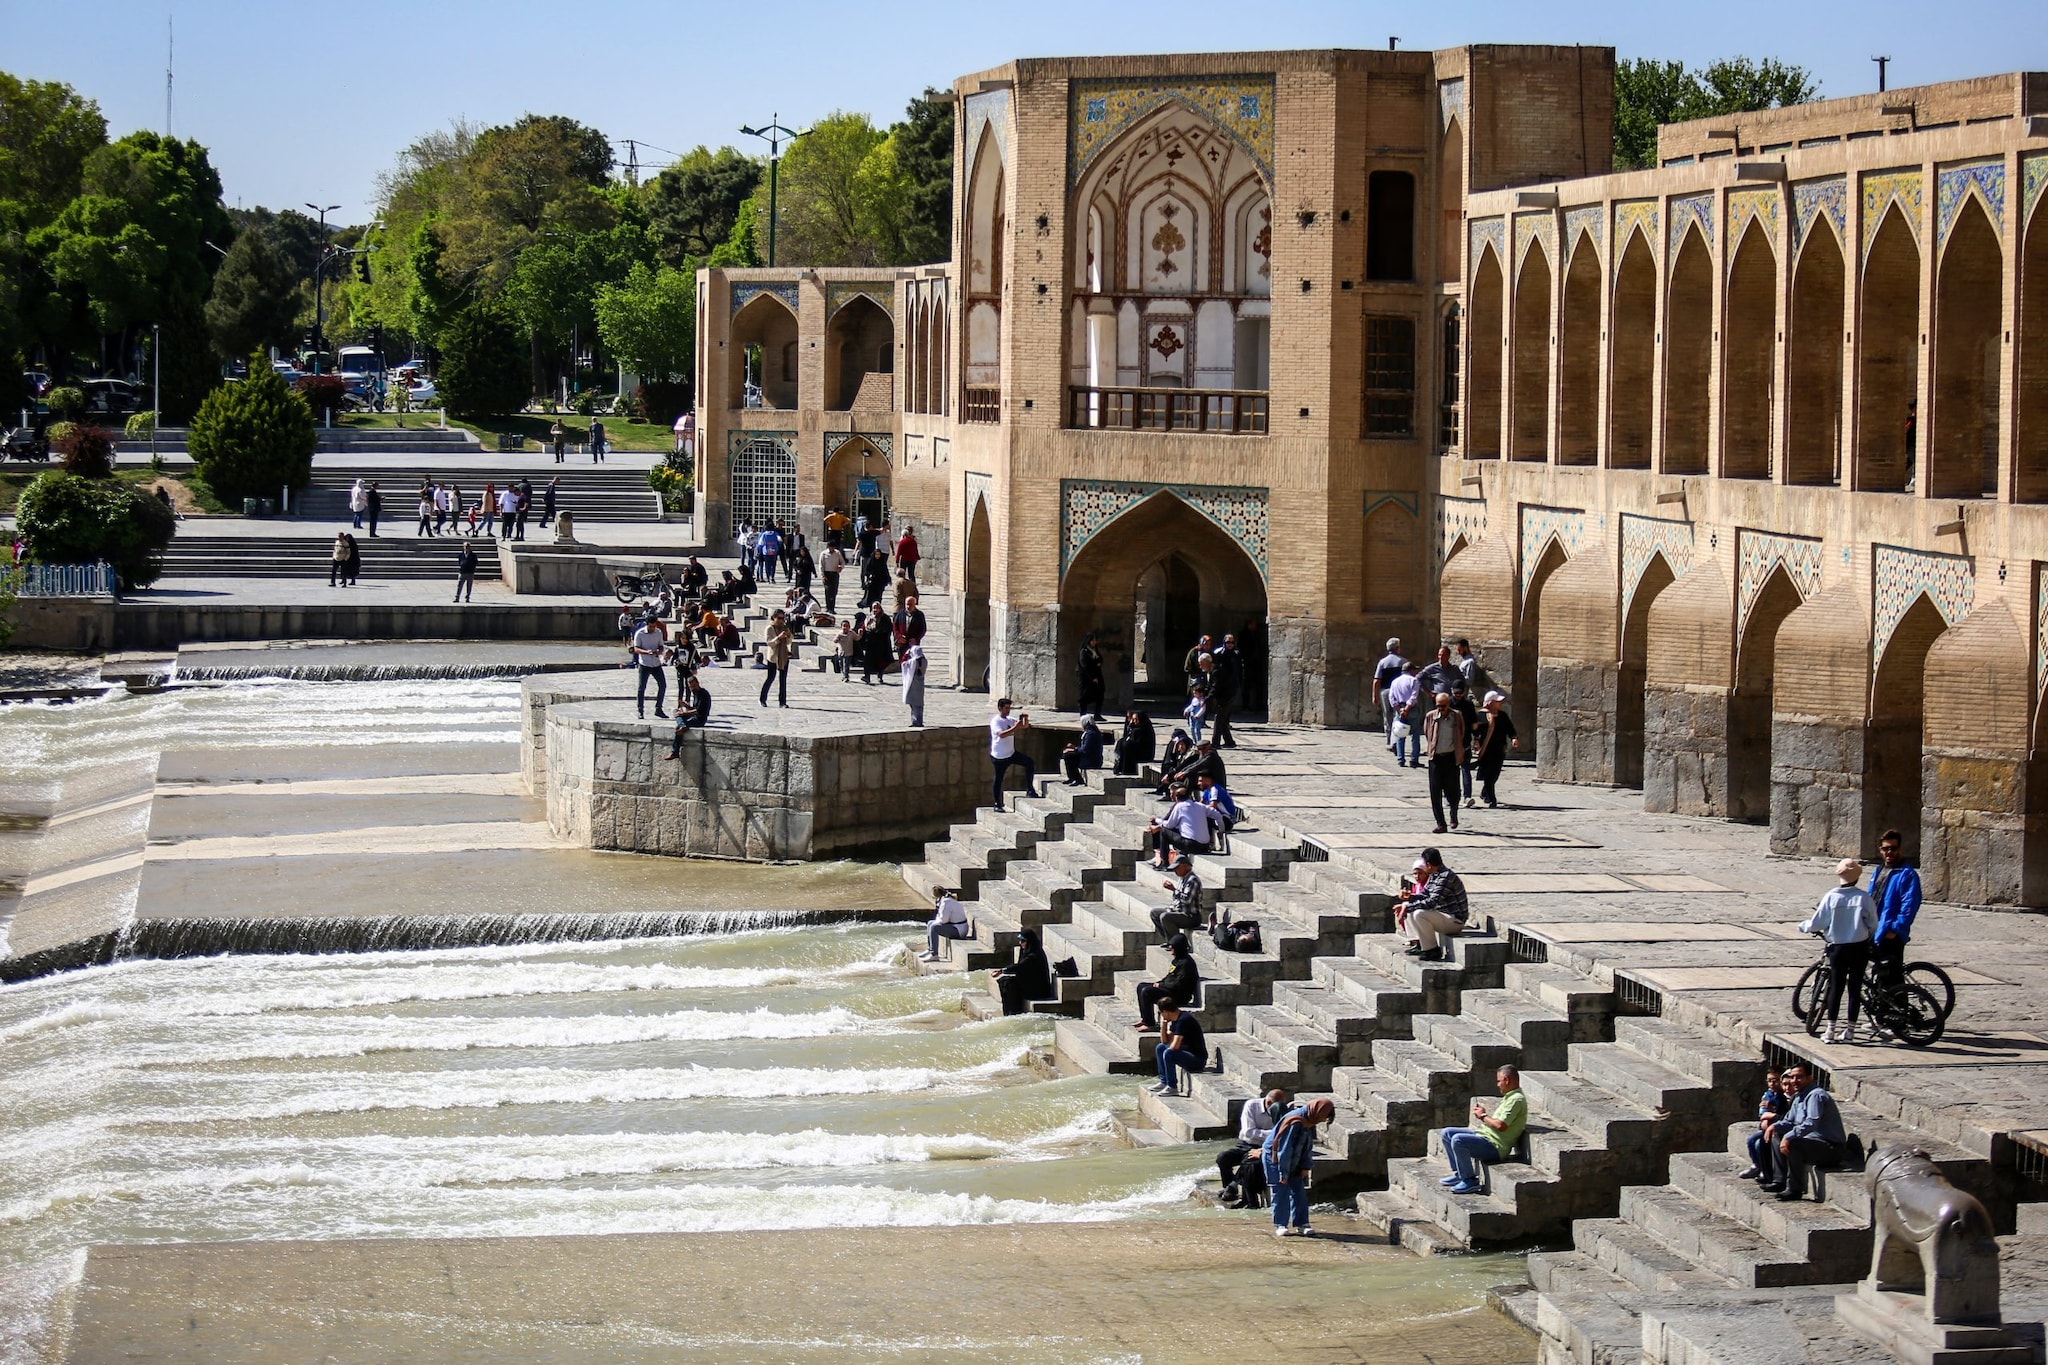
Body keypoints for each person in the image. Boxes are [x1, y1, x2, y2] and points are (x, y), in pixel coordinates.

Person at [1800, 858, 1878, 1044]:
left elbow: (1818, 922)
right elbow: (1873, 923)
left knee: (1836, 987)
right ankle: (1850, 1031)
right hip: (1859, 947)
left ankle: (1830, 1030)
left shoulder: (1832, 897)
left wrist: (1804, 926)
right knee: (1855, 988)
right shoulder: (1864, 898)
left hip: (1838, 948)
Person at [1763, 1064, 1851, 1201]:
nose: (1794, 1081)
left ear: (1810, 1077)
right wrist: (1774, 1127)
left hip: (1830, 1147)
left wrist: (1789, 1136)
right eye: (1792, 1077)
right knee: (1777, 1135)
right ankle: (1779, 1181)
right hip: (1812, 1142)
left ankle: (1794, 1189)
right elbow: (1789, 1121)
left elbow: (1811, 1123)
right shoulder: (1799, 1096)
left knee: (1793, 1143)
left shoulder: (1816, 1096)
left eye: (1799, 1077)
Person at [1438, 1065, 1527, 1195]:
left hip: (1495, 1147)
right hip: (1484, 1136)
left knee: (1458, 1140)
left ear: (1506, 1080)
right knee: (1447, 1133)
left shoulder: (1517, 1100)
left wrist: (1483, 1116)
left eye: (1499, 1081)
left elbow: (1501, 1125)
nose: (1498, 1085)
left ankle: (1470, 1180)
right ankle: (1460, 1172)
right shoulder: (1509, 1097)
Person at [1262, 1098, 1334, 1236]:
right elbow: (1284, 1149)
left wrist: (1306, 1166)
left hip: (1295, 1157)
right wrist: (1283, 1173)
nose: (1322, 1120)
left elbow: (1307, 1145)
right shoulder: (1295, 1122)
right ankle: (1281, 1224)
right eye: (1324, 1117)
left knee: (1298, 1190)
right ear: (1317, 1112)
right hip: (1275, 1158)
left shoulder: (1309, 1119)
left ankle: (1302, 1223)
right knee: (1281, 1190)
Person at [1218, 1089, 1291, 1208]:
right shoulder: (1252, 1105)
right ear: (1268, 1104)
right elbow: (1249, 1132)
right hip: (1246, 1143)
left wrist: (1270, 1137)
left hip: (1264, 1147)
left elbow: (1284, 1134)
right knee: (1223, 1158)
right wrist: (1274, 1133)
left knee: (1248, 1163)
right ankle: (1230, 1186)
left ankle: (1234, 1187)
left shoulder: (1282, 1111)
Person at [1868, 828, 1922, 988]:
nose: (1889, 852)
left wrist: (1895, 929)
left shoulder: (1907, 874)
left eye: (1893, 848)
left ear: (1900, 849)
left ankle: (1900, 1011)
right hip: (1875, 929)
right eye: (1886, 848)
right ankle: (1881, 1009)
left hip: (1890, 932)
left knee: (1893, 978)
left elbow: (1909, 906)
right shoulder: (1879, 870)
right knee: (1881, 975)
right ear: (1880, 850)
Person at [1396, 847, 1468, 962]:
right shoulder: (1435, 875)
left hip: (1455, 921)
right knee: (1411, 906)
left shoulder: (1446, 876)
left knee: (1419, 913)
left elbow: (1432, 902)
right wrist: (1409, 897)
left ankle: (1432, 950)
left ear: (1429, 865)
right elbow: (1425, 895)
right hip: (1442, 916)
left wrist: (1408, 906)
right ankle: (1420, 944)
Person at [1133, 931, 1198, 1031]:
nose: (1170, 948)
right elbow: (1169, 977)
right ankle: (1145, 1018)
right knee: (1141, 986)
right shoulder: (1177, 960)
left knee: (1147, 992)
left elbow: (1178, 984)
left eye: (1173, 946)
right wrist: (1159, 983)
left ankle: (1149, 1023)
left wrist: (1161, 986)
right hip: (1170, 990)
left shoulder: (1186, 964)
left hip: (1179, 996)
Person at [1422, 691, 1466, 833]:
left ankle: (1453, 813)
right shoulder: (1431, 716)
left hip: (1451, 757)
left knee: (1453, 791)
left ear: (1448, 704)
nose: (1441, 709)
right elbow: (1427, 732)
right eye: (1438, 706)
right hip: (1436, 758)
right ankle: (1441, 823)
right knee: (1435, 792)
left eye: (1443, 706)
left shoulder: (1456, 716)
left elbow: (1461, 732)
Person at [1149, 999, 1208, 1097]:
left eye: (1161, 1012)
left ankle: (1172, 1087)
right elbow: (1165, 1041)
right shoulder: (1176, 1020)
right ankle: (1164, 1081)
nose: (1161, 1015)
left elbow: (1174, 1046)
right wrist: (1164, 1025)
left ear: (1165, 1012)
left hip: (1197, 1060)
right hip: (1186, 1054)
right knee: (1160, 1048)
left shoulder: (1184, 1020)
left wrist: (1168, 1049)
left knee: (1169, 1053)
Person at [1147, 788, 1219, 868]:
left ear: (1177, 797)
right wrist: (1221, 830)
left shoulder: (1180, 806)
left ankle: (1164, 863)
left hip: (1190, 845)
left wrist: (1157, 820)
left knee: (1164, 831)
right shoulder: (1201, 806)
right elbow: (1218, 815)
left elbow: (1169, 825)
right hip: (1205, 846)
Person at [1741, 1067, 1790, 1182]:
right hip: (1767, 1128)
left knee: (1760, 1144)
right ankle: (1757, 1165)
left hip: (1779, 1128)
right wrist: (1766, 1117)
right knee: (1751, 1140)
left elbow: (1784, 1115)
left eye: (1776, 1080)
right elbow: (1762, 1114)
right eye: (1770, 1080)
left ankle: (1766, 1171)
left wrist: (1771, 1113)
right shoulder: (1768, 1095)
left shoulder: (1783, 1096)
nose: (1773, 1083)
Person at [989, 699, 1037, 811]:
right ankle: (997, 804)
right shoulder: (996, 721)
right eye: (1006, 708)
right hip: (999, 756)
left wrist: (1025, 719)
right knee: (998, 779)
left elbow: (1024, 726)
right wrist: (1015, 728)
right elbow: (1001, 734)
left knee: (1029, 763)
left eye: (1009, 708)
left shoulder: (1009, 719)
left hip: (1011, 753)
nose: (1008, 711)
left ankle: (1030, 789)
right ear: (1000, 708)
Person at [1473, 689, 1519, 807]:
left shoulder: (1502, 716)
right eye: (1497, 701)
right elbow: (1475, 731)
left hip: (1499, 749)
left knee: (1494, 774)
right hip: (1486, 750)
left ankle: (1485, 792)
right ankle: (1492, 799)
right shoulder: (1481, 716)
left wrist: (1513, 738)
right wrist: (1476, 741)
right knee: (1488, 775)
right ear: (1490, 703)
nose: (1500, 704)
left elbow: (1510, 729)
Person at [994, 928, 1054, 1015]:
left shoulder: (1034, 955)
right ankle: (1008, 1011)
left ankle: (1013, 1012)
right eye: (1020, 940)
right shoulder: (1026, 951)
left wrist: (1002, 970)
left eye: (1022, 941)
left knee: (1009, 984)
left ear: (1029, 941)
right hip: (1028, 982)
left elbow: (1020, 966)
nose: (1020, 943)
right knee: (1004, 981)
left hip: (1038, 988)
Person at [1150, 855, 1205, 940]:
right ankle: (1170, 941)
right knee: (1154, 913)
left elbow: (1187, 900)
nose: (1175, 871)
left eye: (1177, 868)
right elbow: (1177, 900)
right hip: (1178, 911)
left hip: (1190, 916)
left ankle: (1176, 943)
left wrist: (1173, 889)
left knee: (1165, 917)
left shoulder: (1193, 880)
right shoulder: (1181, 878)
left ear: (1185, 866)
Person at [662, 677, 713, 759]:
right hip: (694, 716)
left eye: (693, 686)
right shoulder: (696, 693)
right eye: (690, 687)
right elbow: (694, 708)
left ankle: (675, 751)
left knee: (678, 726)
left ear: (698, 683)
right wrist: (685, 706)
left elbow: (698, 711)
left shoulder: (703, 694)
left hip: (699, 719)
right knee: (676, 711)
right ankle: (683, 725)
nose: (692, 689)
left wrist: (683, 713)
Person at [631, 615, 670, 719]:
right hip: (645, 663)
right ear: (647, 624)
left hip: (656, 663)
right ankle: (640, 710)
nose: (653, 628)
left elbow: (661, 645)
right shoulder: (640, 634)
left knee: (663, 685)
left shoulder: (658, 632)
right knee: (641, 688)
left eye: (654, 626)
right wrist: (646, 652)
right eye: (651, 626)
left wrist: (660, 651)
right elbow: (636, 648)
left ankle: (658, 708)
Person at [1372, 638, 1408, 746]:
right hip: (1399, 692)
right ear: (1397, 648)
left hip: (1385, 691)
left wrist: (1374, 696)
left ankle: (1389, 739)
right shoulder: (1403, 662)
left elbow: (1377, 680)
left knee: (1387, 716)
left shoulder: (1382, 662)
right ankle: (1397, 739)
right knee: (1398, 715)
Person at [1386, 662, 1422, 768]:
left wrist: (1400, 709)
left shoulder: (1394, 682)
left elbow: (1391, 697)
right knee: (1415, 735)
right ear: (1411, 670)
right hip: (1411, 709)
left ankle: (1400, 758)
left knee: (1400, 734)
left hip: (1399, 709)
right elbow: (1414, 696)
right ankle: (1414, 759)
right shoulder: (1414, 680)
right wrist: (1407, 708)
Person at [921, 888, 971, 962]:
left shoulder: (946, 902)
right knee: (930, 923)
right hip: (956, 927)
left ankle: (934, 954)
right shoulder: (947, 900)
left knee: (934, 927)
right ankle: (930, 949)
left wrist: (936, 921)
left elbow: (944, 920)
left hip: (959, 930)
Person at [1210, 636, 1242, 748]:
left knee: (1220, 717)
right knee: (1222, 717)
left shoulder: (1236, 655)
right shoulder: (1219, 653)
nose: (1230, 644)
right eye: (1228, 642)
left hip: (1230, 689)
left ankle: (1215, 742)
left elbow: (1238, 671)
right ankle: (1229, 741)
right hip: (1222, 688)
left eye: (1232, 642)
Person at [758, 609, 793, 708]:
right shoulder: (770, 628)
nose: (781, 620)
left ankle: (782, 702)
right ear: (774, 617)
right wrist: (779, 637)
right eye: (779, 618)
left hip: (784, 656)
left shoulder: (784, 627)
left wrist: (789, 636)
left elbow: (789, 642)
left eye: (783, 618)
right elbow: (769, 643)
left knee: (783, 680)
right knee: (770, 678)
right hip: (773, 656)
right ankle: (762, 699)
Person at [1061, 718, 1104, 786]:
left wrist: (1074, 750)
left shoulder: (1091, 734)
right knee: (1067, 754)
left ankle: (1078, 779)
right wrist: (1074, 748)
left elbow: (1085, 750)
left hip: (1092, 761)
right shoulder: (1089, 732)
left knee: (1069, 756)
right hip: (1088, 757)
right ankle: (1072, 777)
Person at [1113, 710, 1156, 776]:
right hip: (1137, 751)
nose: (1134, 721)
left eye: (1136, 719)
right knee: (1121, 742)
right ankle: (1119, 767)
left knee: (1127, 746)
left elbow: (1140, 744)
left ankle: (1126, 770)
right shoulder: (1135, 728)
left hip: (1145, 754)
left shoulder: (1144, 729)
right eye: (1133, 719)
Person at [1076, 634, 1106, 720]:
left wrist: (1098, 663)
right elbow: (1085, 665)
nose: (1095, 642)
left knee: (1100, 693)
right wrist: (1092, 677)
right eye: (1093, 640)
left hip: (1097, 675)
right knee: (1084, 696)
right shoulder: (1084, 652)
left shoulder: (1094, 651)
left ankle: (1097, 714)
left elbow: (1100, 659)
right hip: (1087, 678)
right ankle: (1083, 714)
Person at [900, 640, 927, 727]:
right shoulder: (924, 661)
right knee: (918, 704)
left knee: (915, 704)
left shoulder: (914, 661)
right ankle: (917, 720)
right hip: (919, 685)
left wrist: (906, 654)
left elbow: (903, 663)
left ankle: (916, 721)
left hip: (913, 684)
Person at [819, 543, 845, 615]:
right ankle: (828, 607)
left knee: (834, 591)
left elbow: (842, 562)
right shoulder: (824, 554)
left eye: (833, 547)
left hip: (834, 574)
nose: (832, 549)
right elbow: (821, 565)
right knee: (828, 591)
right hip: (827, 574)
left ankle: (832, 608)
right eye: (830, 547)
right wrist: (822, 575)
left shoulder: (837, 553)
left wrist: (840, 567)